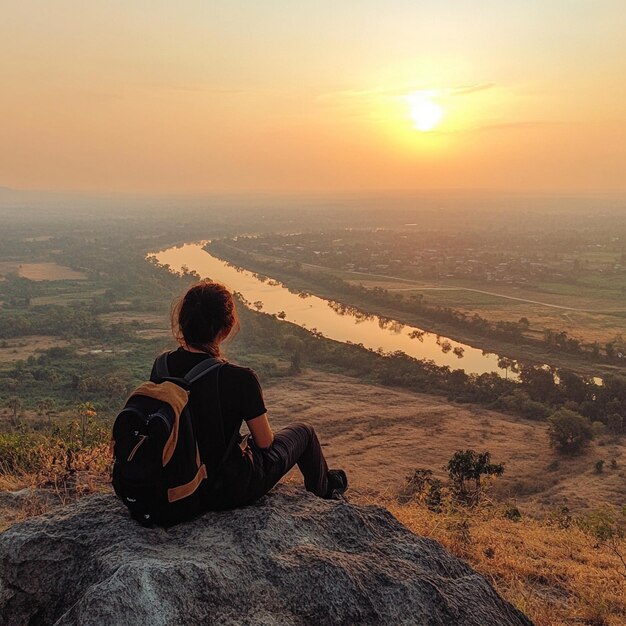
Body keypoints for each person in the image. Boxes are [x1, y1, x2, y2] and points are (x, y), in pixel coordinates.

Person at [150, 280, 348, 511]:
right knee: (305, 432)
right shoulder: (240, 378)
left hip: (175, 483)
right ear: (227, 328)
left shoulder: (161, 366)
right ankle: (326, 493)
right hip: (226, 490)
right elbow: (265, 442)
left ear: (183, 322)